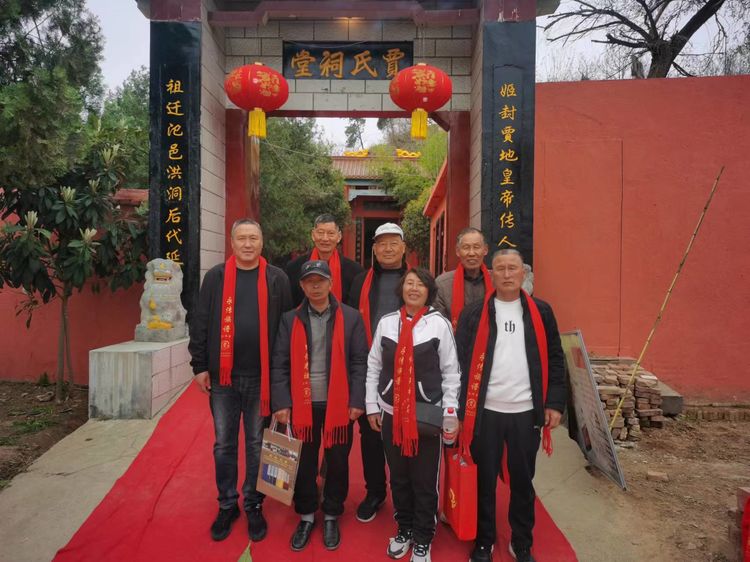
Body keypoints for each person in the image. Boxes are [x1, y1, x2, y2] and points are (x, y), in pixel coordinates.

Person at [455, 249, 566, 562]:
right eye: (500, 269)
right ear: (491, 274)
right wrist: (459, 411)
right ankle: (484, 541)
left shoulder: (541, 311)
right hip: (484, 412)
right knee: (485, 480)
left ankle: (522, 541)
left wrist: (554, 403)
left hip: (525, 412)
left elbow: (556, 358)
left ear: (523, 273)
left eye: (512, 268)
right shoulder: (474, 313)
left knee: (522, 480)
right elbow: (459, 362)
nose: (506, 274)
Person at [188, 218, 292, 542]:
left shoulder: (277, 278)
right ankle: (227, 504)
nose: (248, 244)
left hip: (262, 380)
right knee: (224, 443)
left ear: (262, 242)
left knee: (257, 444)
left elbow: (287, 329)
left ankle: (253, 503)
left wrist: (283, 377)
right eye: (242, 238)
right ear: (232, 243)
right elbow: (200, 320)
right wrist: (199, 365)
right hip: (224, 380)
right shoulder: (216, 277)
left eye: (253, 238)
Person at [270, 260, 369, 552]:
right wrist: (282, 402)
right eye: (309, 281)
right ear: (302, 286)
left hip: (339, 403)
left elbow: (359, 361)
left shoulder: (350, 317)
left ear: (330, 283)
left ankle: (332, 513)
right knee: (305, 461)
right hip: (303, 403)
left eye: (320, 281)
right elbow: (279, 363)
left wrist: (357, 399)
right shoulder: (290, 319)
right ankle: (306, 514)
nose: (315, 286)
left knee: (338, 461)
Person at [365, 268, 460, 562]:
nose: (414, 288)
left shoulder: (439, 325)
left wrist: (450, 412)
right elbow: (373, 366)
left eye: (420, 284)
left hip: (425, 415)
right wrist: (372, 405)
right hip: (391, 413)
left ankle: (422, 537)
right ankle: (404, 528)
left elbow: (451, 372)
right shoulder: (387, 323)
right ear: (401, 289)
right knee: (399, 478)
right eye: (409, 283)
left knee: (424, 480)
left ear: (429, 290)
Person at [347, 222, 408, 523]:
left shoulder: (416, 281)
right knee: (370, 434)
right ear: (374, 249)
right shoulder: (361, 281)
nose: (387, 249)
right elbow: (349, 322)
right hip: (368, 367)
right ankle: (375, 492)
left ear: (403, 248)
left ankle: (404, 496)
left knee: (405, 435)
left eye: (393, 243)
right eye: (382, 244)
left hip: (407, 368)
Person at [286, 213, 364, 307]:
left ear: (339, 236)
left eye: (331, 233)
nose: (325, 238)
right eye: (320, 233)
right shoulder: (294, 267)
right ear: (313, 235)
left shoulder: (354, 271)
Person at [433, 227, 493, 331]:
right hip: (454, 340)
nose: (471, 253)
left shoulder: (497, 281)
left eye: (476, 247)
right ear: (457, 251)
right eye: (466, 247)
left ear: (485, 250)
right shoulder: (442, 284)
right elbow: (439, 325)